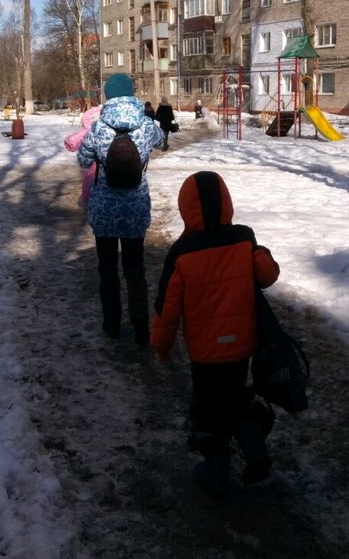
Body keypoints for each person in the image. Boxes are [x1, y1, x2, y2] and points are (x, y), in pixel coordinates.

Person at [151, 171, 280, 497]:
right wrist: (260, 253)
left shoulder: (182, 251)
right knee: (237, 397)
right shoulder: (243, 237)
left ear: (186, 208)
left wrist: (161, 345)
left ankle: (216, 474)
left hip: (205, 353)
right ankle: (254, 450)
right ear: (226, 202)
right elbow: (267, 276)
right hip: (242, 346)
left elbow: (167, 308)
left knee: (208, 411)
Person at [77, 73, 164, 343]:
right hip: (135, 207)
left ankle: (111, 323)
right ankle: (140, 324)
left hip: (104, 208)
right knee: (135, 267)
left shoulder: (98, 127)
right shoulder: (146, 125)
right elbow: (161, 141)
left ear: (108, 95)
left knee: (107, 269)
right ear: (131, 93)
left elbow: (82, 158)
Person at [63, 104, 102, 208]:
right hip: (133, 194)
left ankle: (86, 198)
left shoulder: (94, 128)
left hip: (101, 178)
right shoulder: (142, 123)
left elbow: (84, 160)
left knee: (91, 177)